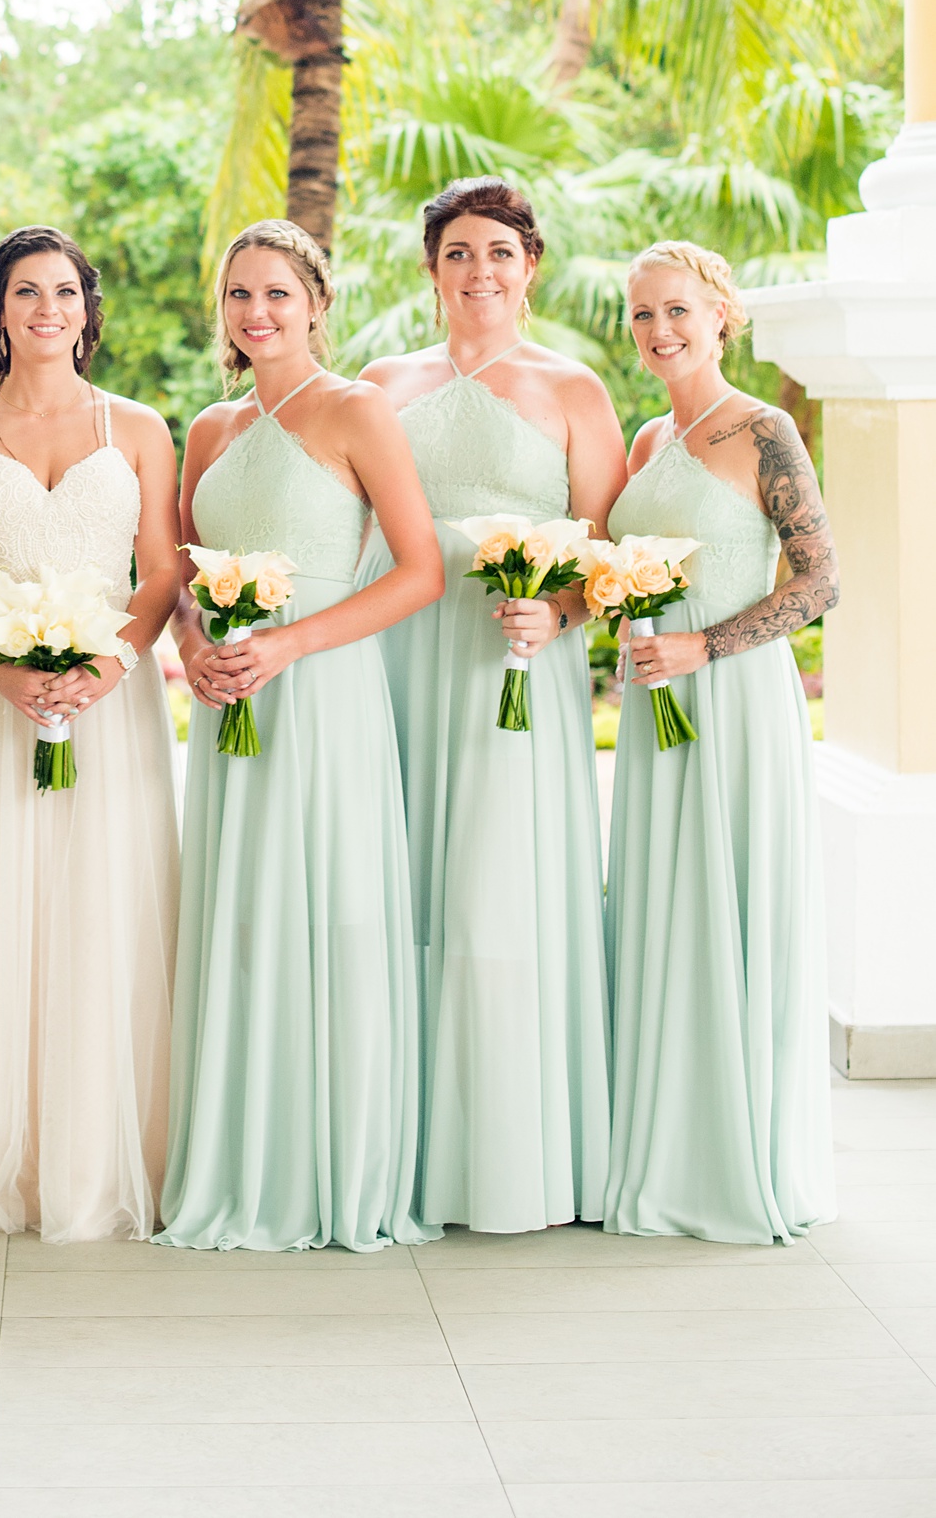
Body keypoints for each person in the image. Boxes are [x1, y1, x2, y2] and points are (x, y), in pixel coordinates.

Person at [161, 219, 444, 1251]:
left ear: (315, 301)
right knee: (242, 911)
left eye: (276, 292)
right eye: (239, 294)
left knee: (329, 906)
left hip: (322, 692)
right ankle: (241, 1152)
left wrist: (290, 646)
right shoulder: (208, 429)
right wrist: (193, 645)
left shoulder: (355, 409)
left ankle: (333, 1159)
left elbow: (419, 570)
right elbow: (190, 579)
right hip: (232, 698)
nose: (256, 312)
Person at [362, 175, 623, 1232]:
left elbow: (602, 546)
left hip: (516, 659)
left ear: (530, 266)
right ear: (431, 269)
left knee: (498, 878)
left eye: (498, 252)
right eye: (458, 252)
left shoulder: (573, 389)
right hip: (398, 652)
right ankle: (399, 1139)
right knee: (403, 873)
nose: (479, 271)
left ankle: (513, 1149)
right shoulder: (379, 382)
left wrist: (557, 613)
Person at [0, 225, 182, 1242]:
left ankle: (105, 1155)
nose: (46, 309)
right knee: (0, 909)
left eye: (64, 292)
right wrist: (1, 667)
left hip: (111, 705)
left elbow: (159, 570)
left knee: (106, 907)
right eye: (24, 292)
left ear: (87, 308)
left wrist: (108, 665)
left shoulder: (140, 428)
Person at [605, 238, 836, 1243]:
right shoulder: (645, 438)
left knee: (730, 905)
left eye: (677, 311)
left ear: (720, 314)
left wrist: (706, 642)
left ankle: (737, 1156)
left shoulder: (763, 427)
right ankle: (665, 1143)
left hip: (735, 706)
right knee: (666, 910)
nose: (659, 330)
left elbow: (820, 582)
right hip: (660, 714)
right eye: (642, 314)